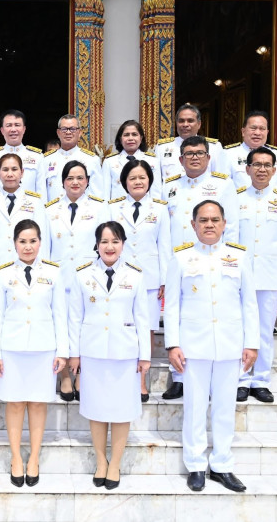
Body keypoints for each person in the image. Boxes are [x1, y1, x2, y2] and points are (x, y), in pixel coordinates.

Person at [164, 200, 259, 493]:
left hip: (230, 344)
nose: (209, 225)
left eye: (215, 220)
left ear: (224, 223)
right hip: (193, 346)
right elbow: (172, 305)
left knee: (224, 407)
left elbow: (249, 303)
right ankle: (195, 465)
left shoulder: (238, 257)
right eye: (203, 220)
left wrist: (252, 343)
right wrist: (172, 344)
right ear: (193, 225)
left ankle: (221, 465)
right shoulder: (181, 258)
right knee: (194, 406)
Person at [68, 221, 152, 490]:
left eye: (115, 241)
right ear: (96, 245)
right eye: (104, 241)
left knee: (122, 410)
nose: (109, 246)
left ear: (123, 244)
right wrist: (74, 354)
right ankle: (101, 462)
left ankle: (115, 463)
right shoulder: (82, 274)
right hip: (92, 352)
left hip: (125, 353)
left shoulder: (135, 275)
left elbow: (143, 317)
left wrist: (145, 356)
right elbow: (74, 317)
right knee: (96, 409)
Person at [0, 219, 68, 487]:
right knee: (14, 403)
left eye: (33, 241)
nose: (28, 246)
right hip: (11, 349)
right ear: (14, 244)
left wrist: (62, 351)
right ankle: (15, 458)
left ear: (40, 242)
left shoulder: (54, 273)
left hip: (44, 349)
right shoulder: (3, 274)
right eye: (22, 241)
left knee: (37, 403)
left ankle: (33, 457)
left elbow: (60, 314)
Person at [160, 136, 238, 399]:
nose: (194, 157)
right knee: (178, 316)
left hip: (213, 260)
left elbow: (232, 226)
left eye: (199, 153)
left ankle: (216, 376)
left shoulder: (223, 185)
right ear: (180, 159)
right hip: (179, 262)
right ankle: (179, 377)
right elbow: (164, 230)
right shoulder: (170, 186)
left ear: (209, 157)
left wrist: (229, 261)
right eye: (189, 154)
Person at [237, 147, 277, 403]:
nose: (261, 169)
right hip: (239, 276)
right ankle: (241, 380)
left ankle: (261, 381)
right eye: (257, 164)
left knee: (264, 330)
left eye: (266, 165)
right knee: (241, 329)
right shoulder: (236, 198)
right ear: (247, 169)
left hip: (270, 275)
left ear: (274, 171)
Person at [46, 160, 109, 400]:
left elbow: (105, 243)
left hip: (89, 277)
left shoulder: (100, 208)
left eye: (80, 178)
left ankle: (81, 375)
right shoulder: (50, 209)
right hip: (59, 276)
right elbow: (45, 247)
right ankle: (64, 376)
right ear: (62, 182)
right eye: (70, 178)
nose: (75, 182)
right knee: (60, 326)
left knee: (84, 326)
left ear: (87, 181)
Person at [109, 159, 171, 401]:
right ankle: (120, 377)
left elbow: (164, 245)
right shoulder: (113, 208)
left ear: (150, 181)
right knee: (121, 326)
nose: (137, 182)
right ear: (124, 181)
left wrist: (165, 279)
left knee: (146, 330)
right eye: (132, 178)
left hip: (150, 279)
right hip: (121, 276)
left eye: (142, 177)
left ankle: (142, 381)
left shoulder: (160, 209)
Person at [0, 153, 48, 268]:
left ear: (22, 172)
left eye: (14, 169)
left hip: (25, 264)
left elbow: (42, 238)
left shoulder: (35, 201)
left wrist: (41, 268)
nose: (10, 174)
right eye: (5, 170)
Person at [222, 110, 277, 192]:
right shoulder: (228, 154)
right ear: (243, 132)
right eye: (253, 128)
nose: (257, 133)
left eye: (262, 129)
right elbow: (223, 187)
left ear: (267, 132)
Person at [0, 110, 44, 196]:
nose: (13, 129)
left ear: (24, 129)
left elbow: (41, 191)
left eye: (17, 125)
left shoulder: (37, 156)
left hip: (28, 204)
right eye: (9, 125)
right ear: (2, 130)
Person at [154, 104, 226, 181]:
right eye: (181, 121)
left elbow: (220, 178)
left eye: (190, 121)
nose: (185, 125)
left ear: (199, 124)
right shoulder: (162, 148)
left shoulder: (214, 147)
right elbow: (156, 180)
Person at [42, 115, 104, 200]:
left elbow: (97, 194)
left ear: (80, 132)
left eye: (72, 129)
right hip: (53, 207)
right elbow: (41, 192)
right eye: (64, 129)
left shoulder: (91, 159)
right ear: (58, 132)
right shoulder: (46, 159)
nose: (68, 132)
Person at [102, 120, 160, 200]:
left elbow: (156, 192)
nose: (130, 138)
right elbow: (105, 193)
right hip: (118, 207)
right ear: (120, 139)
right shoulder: (109, 162)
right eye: (126, 135)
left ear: (141, 138)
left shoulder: (152, 161)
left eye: (134, 134)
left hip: (145, 206)